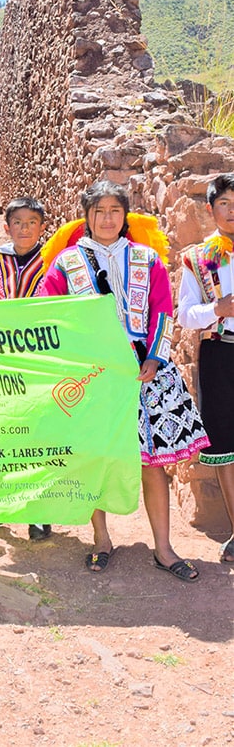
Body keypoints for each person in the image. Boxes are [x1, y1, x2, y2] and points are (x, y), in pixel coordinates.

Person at [40, 180, 209, 581]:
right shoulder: (65, 264)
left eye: (115, 211)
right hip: (93, 375)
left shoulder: (146, 259)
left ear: (125, 216)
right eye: (99, 211)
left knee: (153, 464)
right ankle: (101, 538)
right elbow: (52, 317)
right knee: (97, 458)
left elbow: (162, 312)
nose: (107, 218)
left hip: (142, 371)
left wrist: (154, 356)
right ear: (86, 217)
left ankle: (163, 548)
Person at [0, 195, 51, 543]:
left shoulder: (54, 262)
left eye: (32, 222)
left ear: (42, 227)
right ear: (7, 226)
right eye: (18, 222)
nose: (25, 228)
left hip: (37, 365)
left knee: (36, 436)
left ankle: (39, 512)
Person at [178, 173, 234, 563]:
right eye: (225, 203)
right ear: (211, 210)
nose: (232, 211)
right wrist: (218, 309)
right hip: (220, 355)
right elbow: (184, 314)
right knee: (228, 445)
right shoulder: (198, 258)